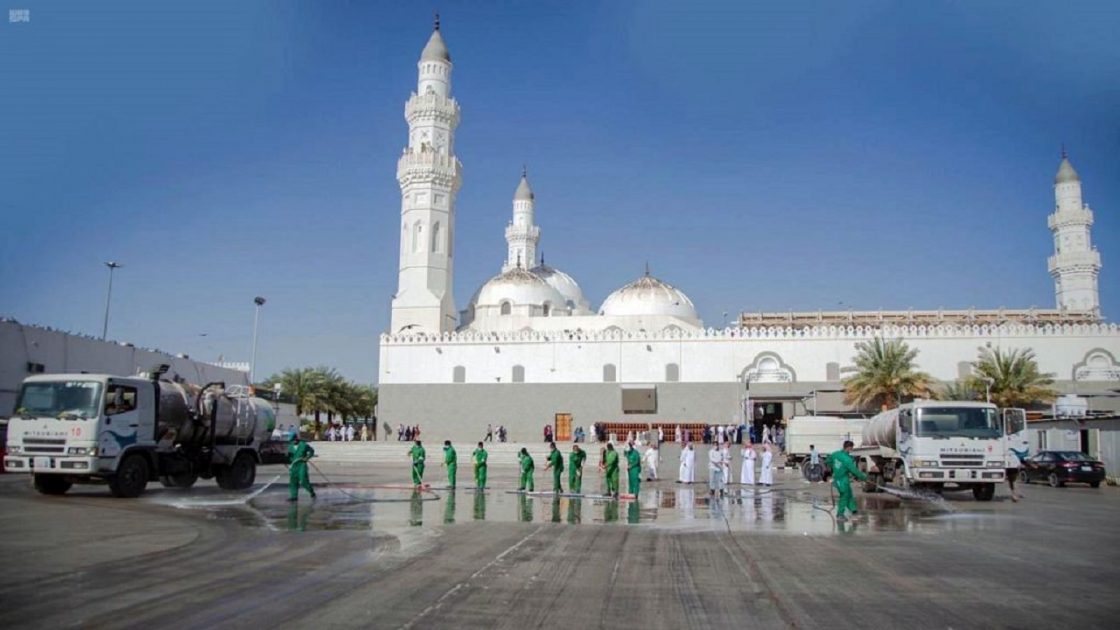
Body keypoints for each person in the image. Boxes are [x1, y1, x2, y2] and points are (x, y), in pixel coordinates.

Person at [827, 440, 868, 521]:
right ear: (849, 447)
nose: (851, 450)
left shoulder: (836, 454)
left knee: (849, 494)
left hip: (838, 479)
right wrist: (864, 477)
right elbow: (854, 471)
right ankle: (840, 515)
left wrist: (835, 468)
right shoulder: (847, 459)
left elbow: (828, 461)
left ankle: (854, 511)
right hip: (842, 480)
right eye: (852, 448)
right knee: (844, 496)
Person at [287, 434, 316, 501]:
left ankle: (311, 492)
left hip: (301, 464)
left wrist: (307, 457)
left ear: (296, 438)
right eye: (292, 440)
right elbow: (289, 456)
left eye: (294, 440)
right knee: (293, 480)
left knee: (303, 480)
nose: (293, 441)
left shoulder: (303, 445)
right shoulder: (290, 446)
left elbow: (312, 451)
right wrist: (287, 462)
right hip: (294, 465)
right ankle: (294, 496)